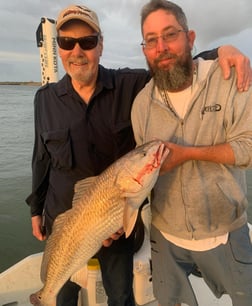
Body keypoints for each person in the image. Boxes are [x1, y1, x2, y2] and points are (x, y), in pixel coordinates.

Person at [26, 3, 252, 306]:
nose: (77, 51)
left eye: (88, 42)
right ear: (60, 48)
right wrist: (35, 209)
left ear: (100, 45)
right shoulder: (45, 99)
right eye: (67, 42)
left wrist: (221, 51)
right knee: (62, 294)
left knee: (121, 295)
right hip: (65, 222)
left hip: (117, 221)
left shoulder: (130, 85)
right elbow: (40, 157)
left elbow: (171, 61)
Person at [131, 1, 252, 306]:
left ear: (191, 37)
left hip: (226, 234)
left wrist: (187, 154)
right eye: (152, 40)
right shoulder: (141, 106)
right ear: (145, 49)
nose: (162, 47)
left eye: (170, 35)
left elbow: (249, 148)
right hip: (165, 237)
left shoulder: (229, 79)